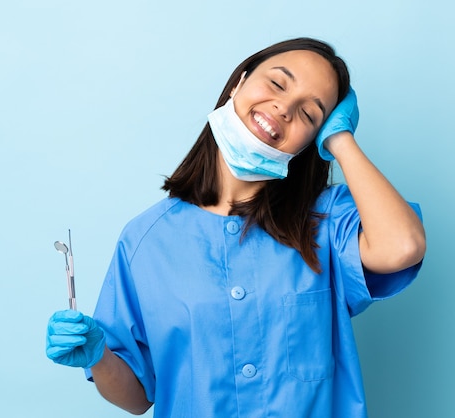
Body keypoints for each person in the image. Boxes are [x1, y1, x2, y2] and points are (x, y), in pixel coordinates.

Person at [46, 37, 426, 417]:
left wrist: (341, 140)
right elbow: (137, 398)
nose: (284, 108)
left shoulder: (327, 222)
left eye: (310, 115)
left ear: (314, 139)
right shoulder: (146, 240)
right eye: (277, 84)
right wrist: (98, 355)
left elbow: (403, 246)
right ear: (239, 82)